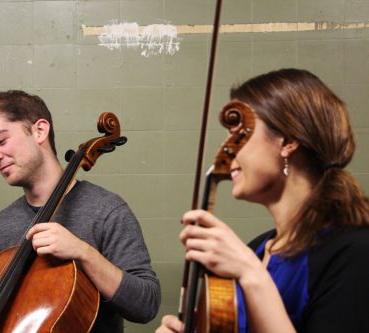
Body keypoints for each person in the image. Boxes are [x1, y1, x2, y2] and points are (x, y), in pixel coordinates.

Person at [156, 68, 369, 333]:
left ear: (288, 142)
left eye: (239, 132)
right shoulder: (256, 249)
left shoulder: (355, 252)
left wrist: (252, 275)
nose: (227, 148)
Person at [0, 90, 161, 332]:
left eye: (0, 141)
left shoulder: (106, 210)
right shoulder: (2, 225)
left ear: (39, 130)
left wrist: (84, 253)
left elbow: (146, 305)